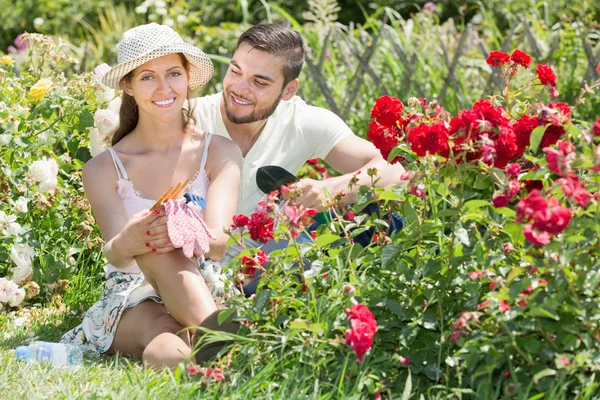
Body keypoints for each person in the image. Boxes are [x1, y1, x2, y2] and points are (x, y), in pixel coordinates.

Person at [61, 23, 242, 369]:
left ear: (188, 77)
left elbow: (219, 242)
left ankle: (206, 353)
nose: (163, 88)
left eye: (173, 73)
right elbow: (116, 253)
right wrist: (131, 237)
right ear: (127, 85)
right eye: (147, 77)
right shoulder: (103, 169)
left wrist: (184, 231)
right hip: (131, 296)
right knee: (155, 258)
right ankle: (224, 345)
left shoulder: (220, 152)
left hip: (199, 282)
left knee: (167, 345)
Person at [191, 24, 405, 262]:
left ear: (289, 90)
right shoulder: (189, 118)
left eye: (259, 82)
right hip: (191, 265)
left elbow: (396, 169)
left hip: (268, 268)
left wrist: (330, 190)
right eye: (235, 71)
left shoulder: (302, 121)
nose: (240, 88)